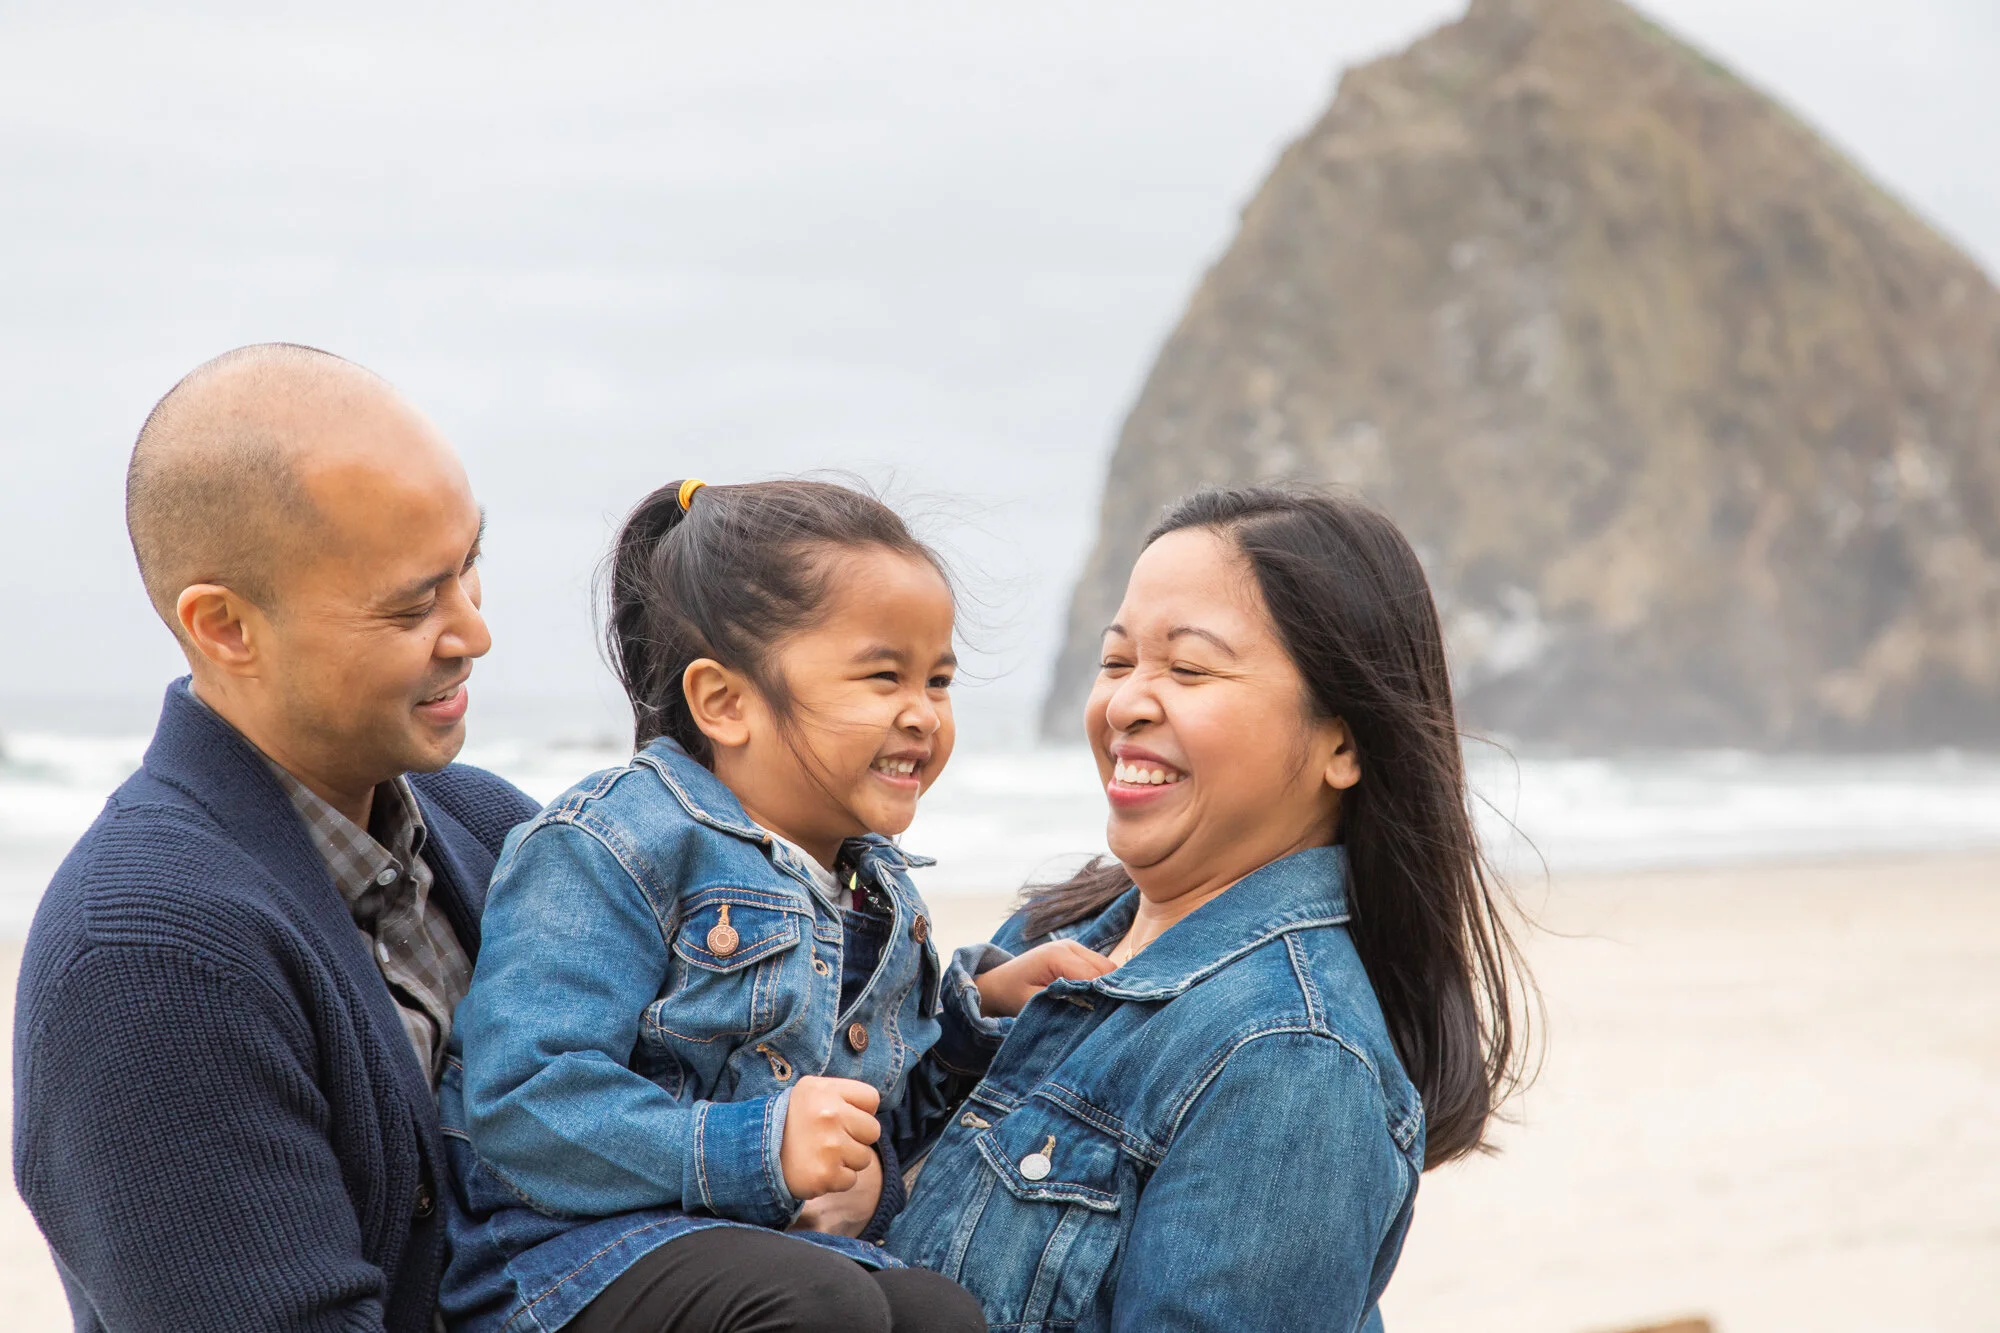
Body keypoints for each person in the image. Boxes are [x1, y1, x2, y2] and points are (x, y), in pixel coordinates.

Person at [438, 478, 1110, 1333]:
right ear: (726, 701)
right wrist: (760, 1146)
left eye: (938, 680)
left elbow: (868, 1116)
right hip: (568, 1263)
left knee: (939, 1312)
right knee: (823, 1303)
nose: (923, 715)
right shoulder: (614, 841)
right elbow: (526, 1107)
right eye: (883, 676)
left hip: (758, 1252)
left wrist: (980, 1020)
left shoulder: (878, 890)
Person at [885, 485, 1532, 1332]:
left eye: (1188, 668)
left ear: (1344, 741)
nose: (1126, 703)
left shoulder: (1290, 1056)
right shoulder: (1054, 936)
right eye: (1116, 662)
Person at [12, 344, 539, 1333]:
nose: (473, 629)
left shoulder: (490, 829)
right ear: (224, 628)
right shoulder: (146, 955)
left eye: (470, 565)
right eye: (415, 601)